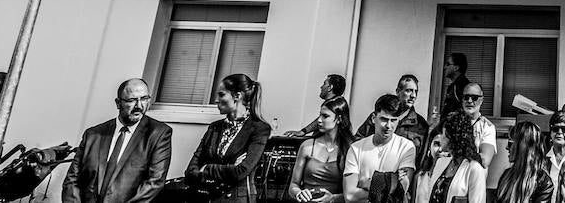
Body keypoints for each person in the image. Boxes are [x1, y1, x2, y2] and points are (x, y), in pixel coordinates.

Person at [63, 78, 173, 203]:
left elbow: (154, 183)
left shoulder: (159, 134)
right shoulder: (93, 135)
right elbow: (72, 180)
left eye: (144, 99)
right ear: (118, 103)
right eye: (132, 100)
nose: (139, 106)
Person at [186, 73, 272, 202]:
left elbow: (241, 171)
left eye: (221, 94)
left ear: (237, 96)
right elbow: (190, 171)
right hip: (206, 197)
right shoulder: (214, 127)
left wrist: (207, 168)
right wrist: (228, 168)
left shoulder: (259, 129)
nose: (216, 100)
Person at [343, 94, 417, 203]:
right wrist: (389, 182)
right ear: (373, 118)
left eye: (393, 120)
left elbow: (401, 190)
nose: (388, 125)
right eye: (384, 119)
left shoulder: (406, 147)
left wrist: (366, 182)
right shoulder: (356, 148)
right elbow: (350, 196)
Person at [288, 95, 354, 203]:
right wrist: (299, 193)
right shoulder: (307, 146)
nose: (319, 120)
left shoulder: (350, 149)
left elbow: (353, 194)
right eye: (319, 115)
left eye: (325, 116)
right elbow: (293, 186)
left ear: (339, 119)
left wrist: (333, 198)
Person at [414, 113, 487, 203]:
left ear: (453, 138)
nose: (441, 138)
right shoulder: (441, 163)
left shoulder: (474, 169)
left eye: (444, 135)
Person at [359, 75, 430, 148]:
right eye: (408, 90)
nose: (413, 95)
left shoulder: (421, 124)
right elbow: (358, 141)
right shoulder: (379, 117)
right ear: (398, 91)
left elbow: (422, 155)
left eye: (416, 91)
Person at [497, 120, 553, 203]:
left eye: (510, 143)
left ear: (522, 147)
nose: (506, 148)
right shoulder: (506, 175)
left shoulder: (544, 182)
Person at [459, 83, 498, 168]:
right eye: (466, 97)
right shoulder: (452, 123)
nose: (469, 101)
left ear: (481, 100)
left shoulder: (487, 127)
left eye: (474, 98)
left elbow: (485, 160)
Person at [440, 53, 470, 119]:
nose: (445, 67)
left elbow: (469, 109)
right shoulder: (454, 85)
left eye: (448, 64)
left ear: (456, 68)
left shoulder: (462, 85)